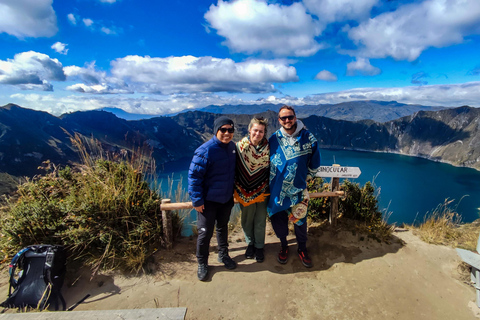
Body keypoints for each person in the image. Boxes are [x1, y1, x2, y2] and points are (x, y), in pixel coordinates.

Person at [267, 105, 321, 268]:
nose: (287, 120)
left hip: (298, 190)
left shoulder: (308, 137)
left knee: (300, 221)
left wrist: (307, 178)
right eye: (283, 118)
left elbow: (315, 161)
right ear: (279, 120)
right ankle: (284, 246)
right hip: (278, 191)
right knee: (279, 221)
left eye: (290, 117)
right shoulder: (273, 139)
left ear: (295, 117)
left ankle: (302, 249)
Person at [188, 116, 237, 281]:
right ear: (216, 130)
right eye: (223, 129)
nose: (227, 133)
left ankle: (223, 255)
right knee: (204, 233)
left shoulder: (232, 148)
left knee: (223, 228)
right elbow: (194, 177)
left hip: (225, 200)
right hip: (208, 202)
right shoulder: (205, 150)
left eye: (230, 130)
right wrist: (197, 201)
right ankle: (202, 263)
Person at [234, 117, 270, 263]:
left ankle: (259, 246)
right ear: (249, 130)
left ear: (264, 132)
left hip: (263, 189)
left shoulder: (269, 148)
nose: (258, 134)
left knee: (260, 219)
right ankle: (250, 244)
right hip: (243, 190)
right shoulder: (239, 147)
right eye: (255, 130)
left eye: (261, 131)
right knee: (247, 219)